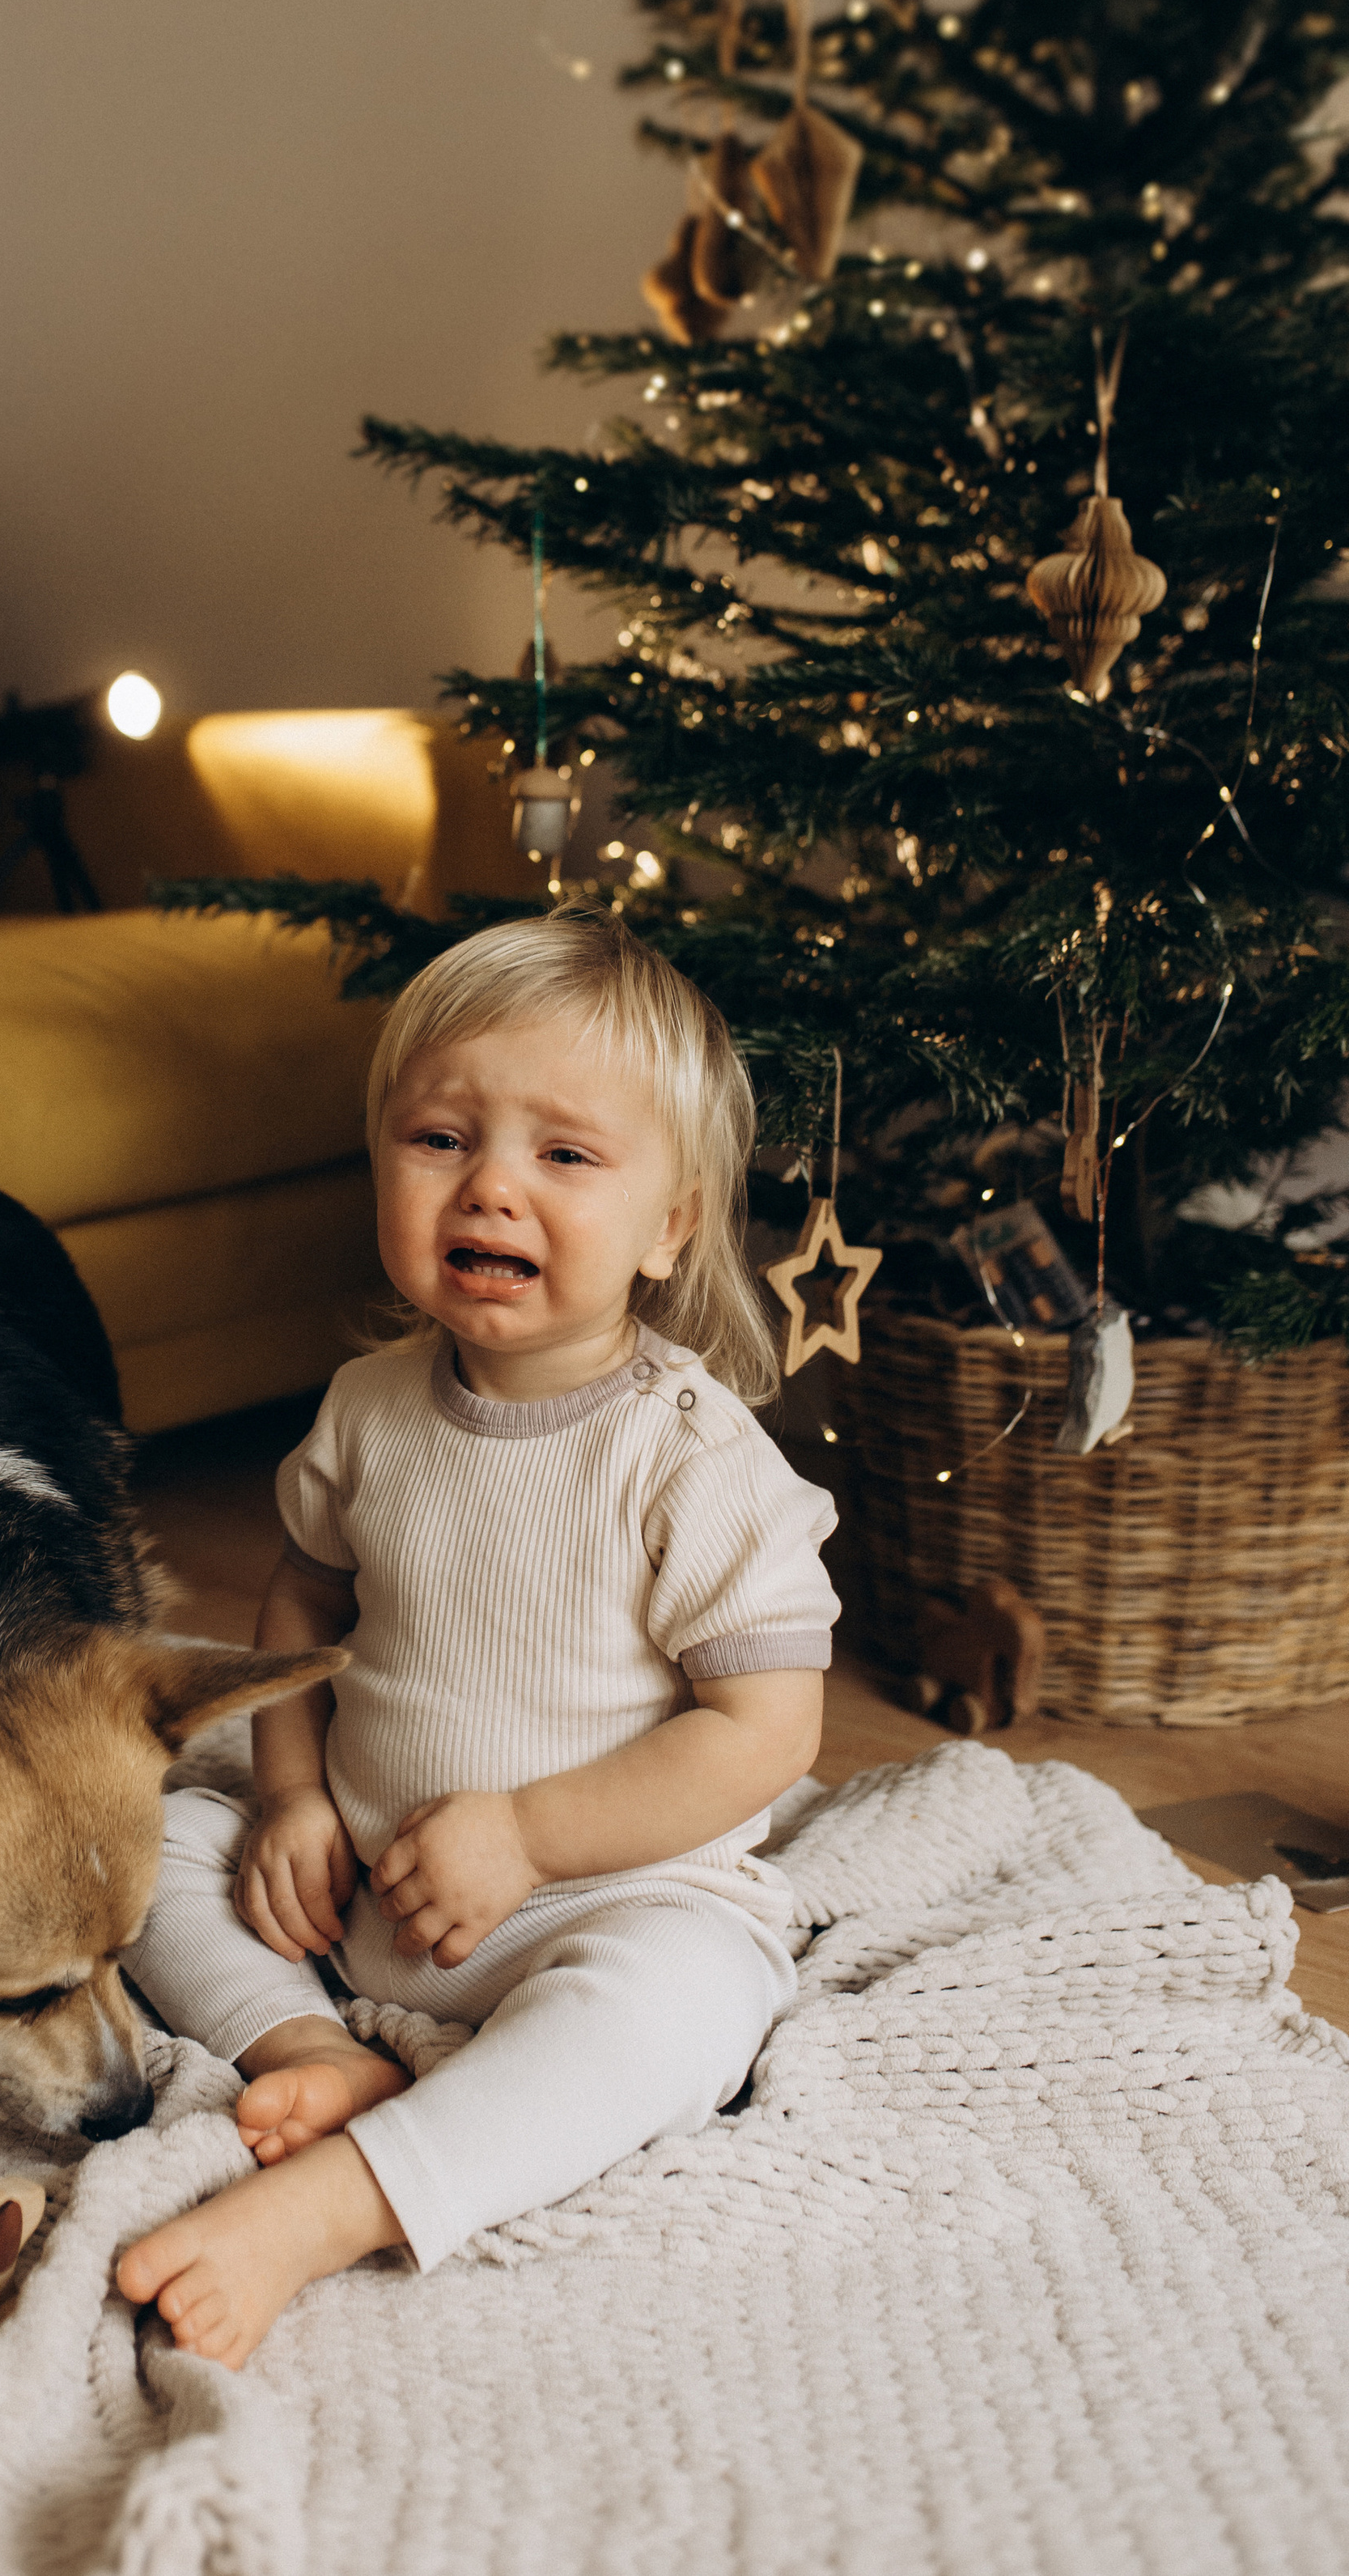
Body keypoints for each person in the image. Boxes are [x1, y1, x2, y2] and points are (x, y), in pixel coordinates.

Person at [118, 907, 837, 2365]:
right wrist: (296, 1795)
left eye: (564, 1156)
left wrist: (530, 1836)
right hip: (364, 1894)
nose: (493, 1188)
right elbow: (305, 1601)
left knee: (692, 2006)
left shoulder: (689, 1456)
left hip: (603, 1899)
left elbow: (769, 1729)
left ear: (673, 1225)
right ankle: (308, 2046)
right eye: (442, 1139)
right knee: (134, 1840)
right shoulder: (371, 1407)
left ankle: (345, 2199)